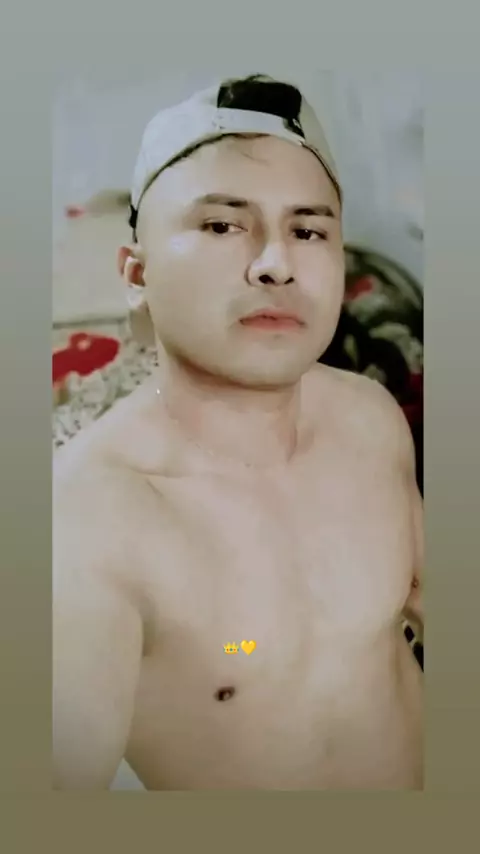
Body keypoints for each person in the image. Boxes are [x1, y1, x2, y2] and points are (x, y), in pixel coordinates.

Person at [53, 74, 424, 790]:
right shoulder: (89, 530)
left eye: (308, 230)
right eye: (223, 226)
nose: (277, 264)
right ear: (137, 273)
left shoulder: (369, 418)